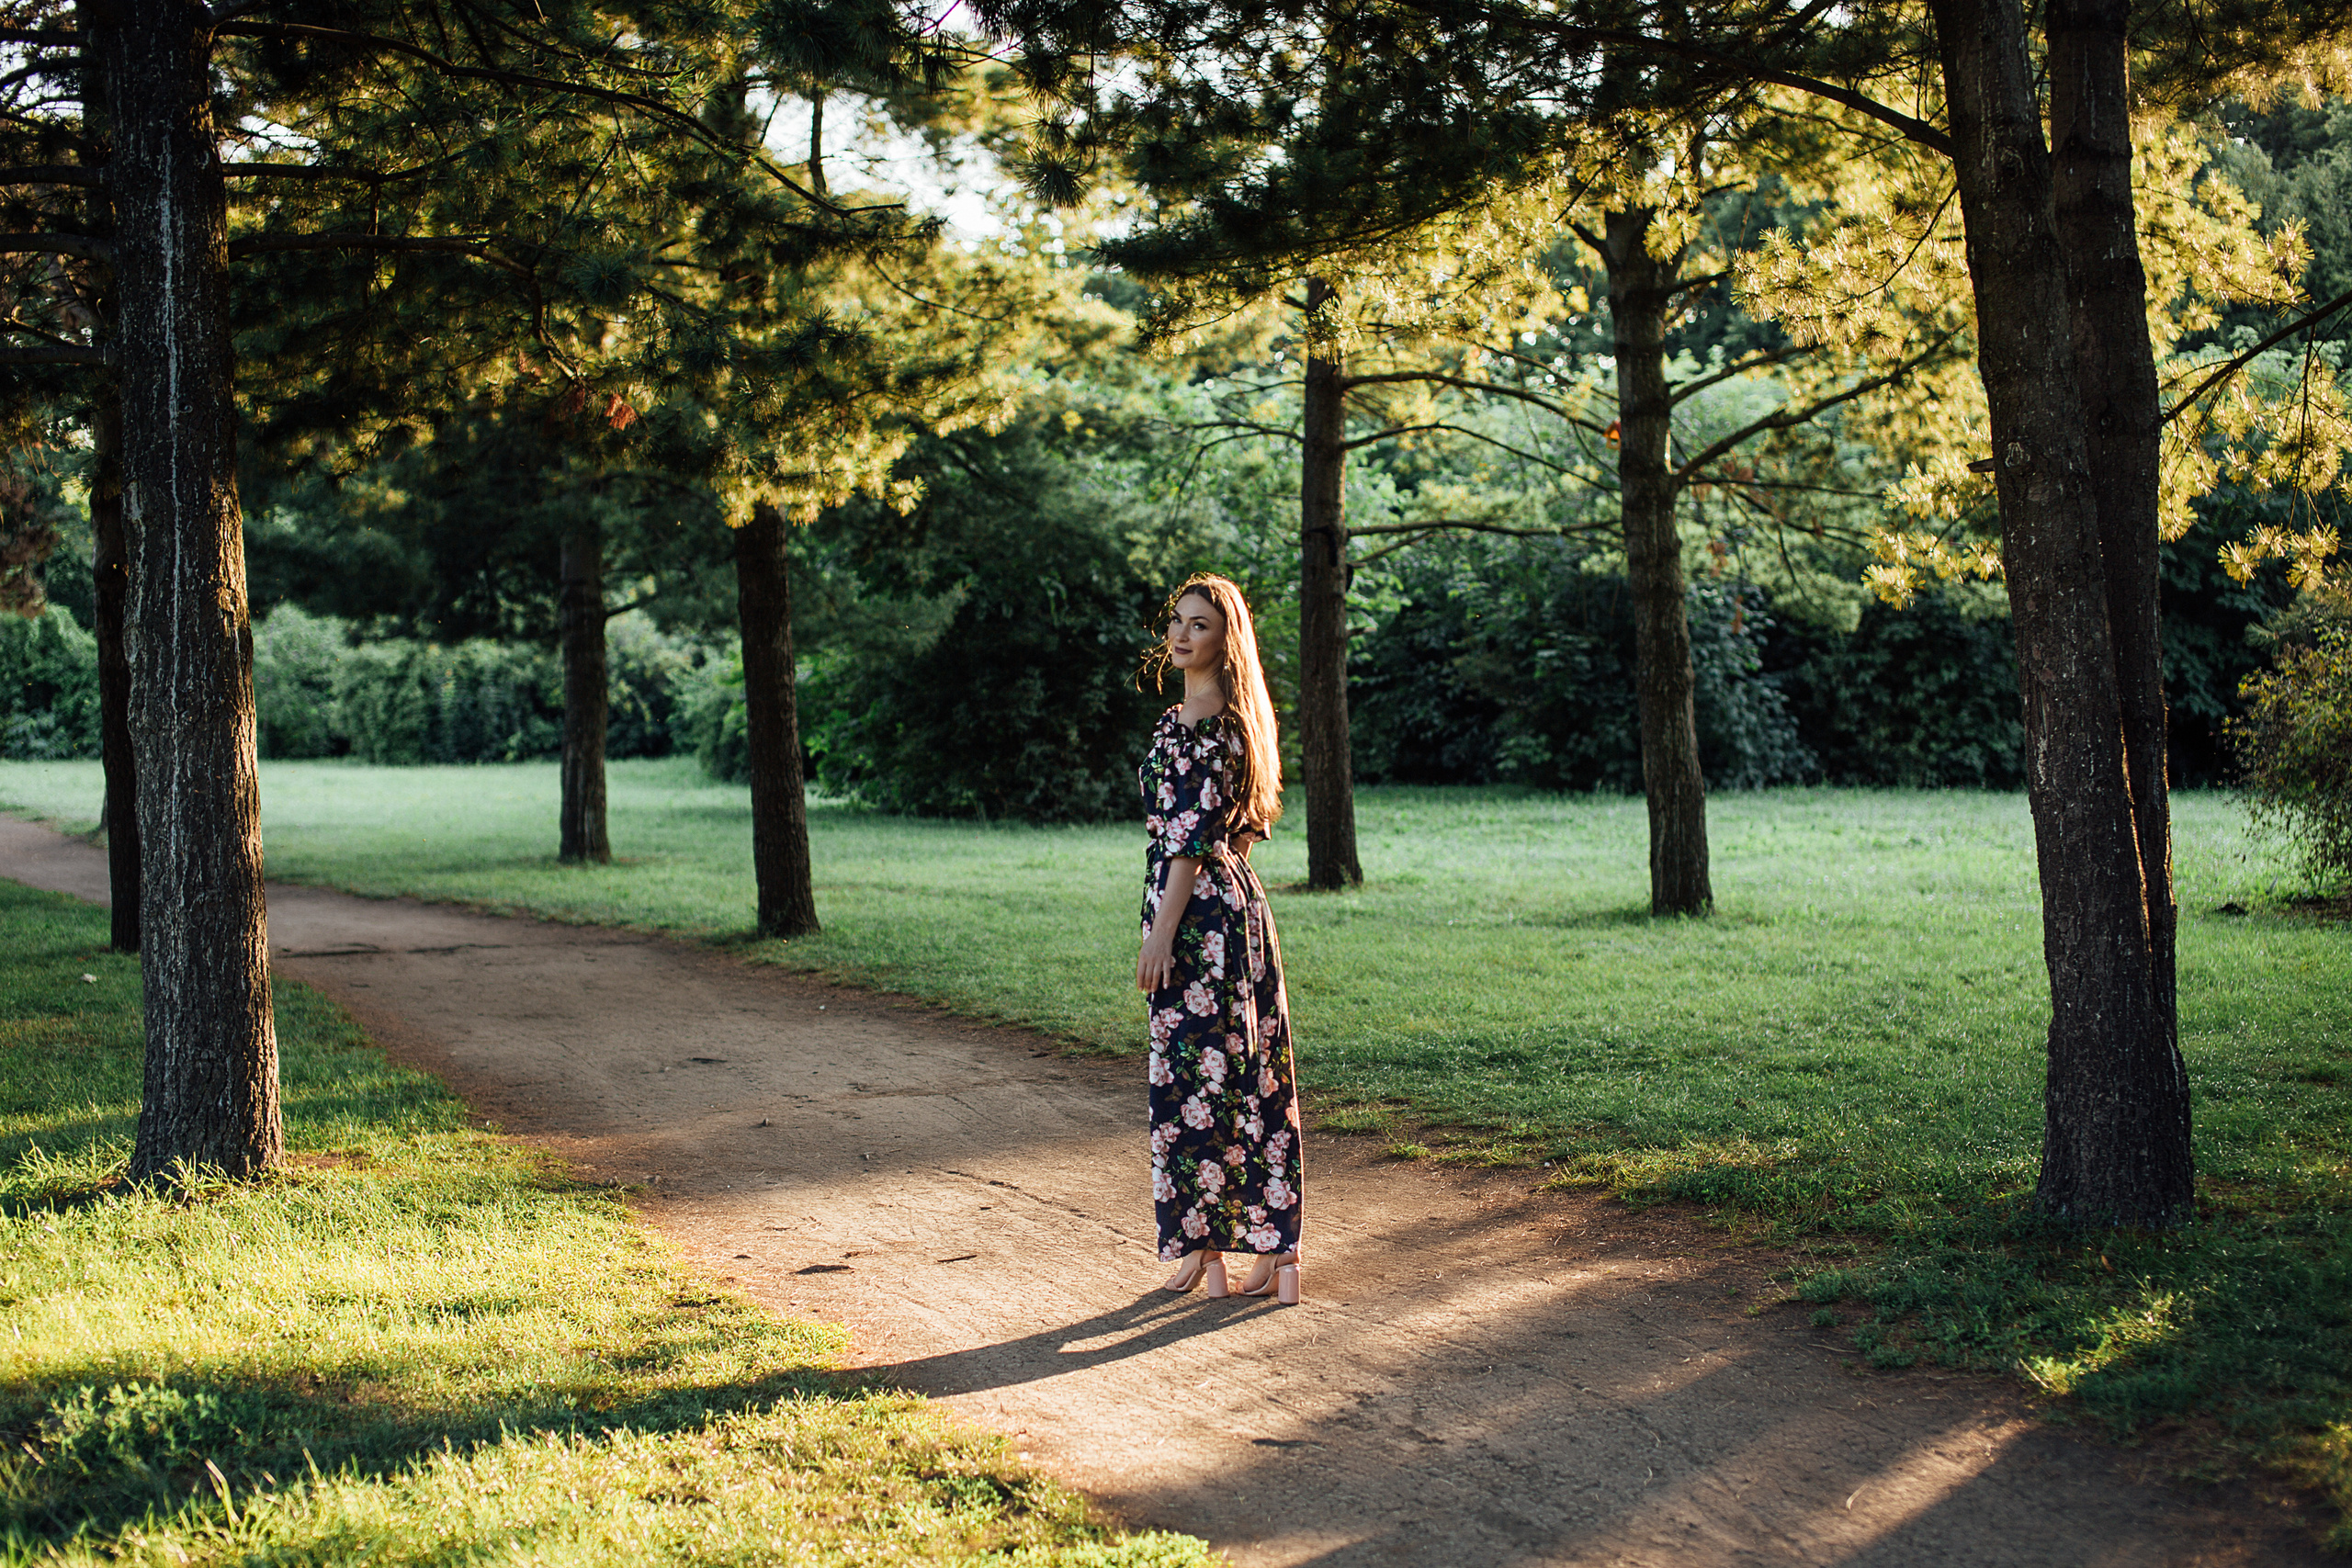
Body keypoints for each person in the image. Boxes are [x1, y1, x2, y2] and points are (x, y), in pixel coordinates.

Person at [1135, 572, 1302, 1305]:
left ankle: (1206, 1251)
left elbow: (1188, 842)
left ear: (1225, 638)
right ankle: (1278, 1251)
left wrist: (1162, 934)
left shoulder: (1192, 722)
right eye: (1177, 620)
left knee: (1191, 1086)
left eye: (1199, 624)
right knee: (1251, 1076)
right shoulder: (1242, 719)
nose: (1180, 634)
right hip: (1239, 908)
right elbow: (1239, 833)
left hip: (1195, 915)